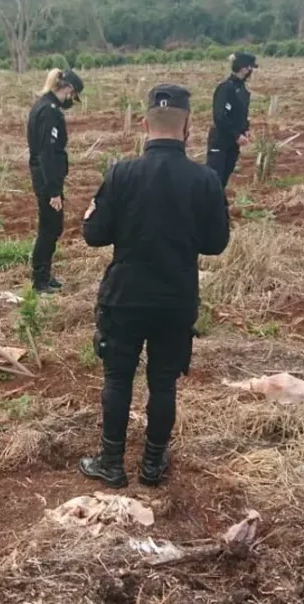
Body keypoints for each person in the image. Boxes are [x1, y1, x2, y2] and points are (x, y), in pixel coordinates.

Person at [78, 84, 230, 488]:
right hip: (176, 298)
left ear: (144, 125)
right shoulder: (206, 180)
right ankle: (151, 465)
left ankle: (111, 462)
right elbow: (216, 244)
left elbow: (93, 234)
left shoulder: (121, 173)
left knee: (117, 379)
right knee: (162, 383)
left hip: (125, 296)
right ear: (188, 130)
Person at [26, 68, 84, 294]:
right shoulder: (49, 111)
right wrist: (53, 191)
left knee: (52, 227)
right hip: (46, 179)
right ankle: (40, 280)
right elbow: (47, 153)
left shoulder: (43, 105)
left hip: (46, 177)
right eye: (73, 95)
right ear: (68, 89)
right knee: (50, 228)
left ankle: (45, 275)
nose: (72, 100)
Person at [207, 52, 258, 191]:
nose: (251, 72)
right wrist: (236, 134)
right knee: (214, 180)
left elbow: (241, 114)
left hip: (232, 143)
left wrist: (245, 130)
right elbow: (219, 116)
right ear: (244, 69)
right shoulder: (225, 88)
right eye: (250, 68)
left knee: (223, 180)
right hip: (220, 140)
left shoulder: (242, 90)